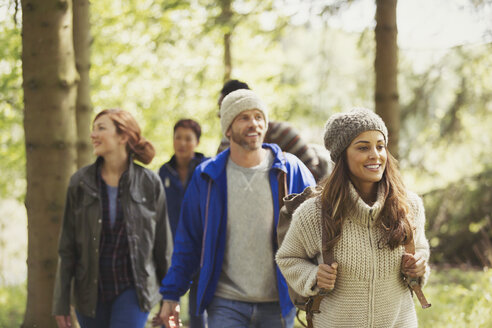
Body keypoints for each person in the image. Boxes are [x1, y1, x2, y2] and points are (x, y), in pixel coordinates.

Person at [153, 89, 316, 328]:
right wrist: (171, 295)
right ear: (228, 128)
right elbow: (188, 242)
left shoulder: (290, 171)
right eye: (244, 118)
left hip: (278, 301)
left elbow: (316, 229)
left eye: (259, 117)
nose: (254, 124)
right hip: (225, 303)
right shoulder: (208, 177)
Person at [276, 108, 430, 327]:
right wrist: (313, 276)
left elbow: (420, 249)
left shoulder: (409, 205)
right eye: (363, 147)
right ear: (342, 155)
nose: (375, 155)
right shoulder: (314, 212)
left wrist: (418, 266)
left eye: (380, 146)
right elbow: (288, 258)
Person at [52, 109, 173, 328]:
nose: (93, 135)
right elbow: (67, 247)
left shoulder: (150, 183)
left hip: (134, 290)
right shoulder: (80, 183)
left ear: (123, 136)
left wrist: (170, 300)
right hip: (89, 293)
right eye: (92, 128)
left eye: (101, 128)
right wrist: (61, 304)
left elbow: (163, 248)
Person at [216, 79, 332, 182]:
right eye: (244, 118)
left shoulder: (283, 134)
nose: (218, 114)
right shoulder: (224, 146)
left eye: (222, 108)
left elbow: (314, 170)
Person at [158, 119, 208, 328]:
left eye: (188, 138)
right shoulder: (164, 172)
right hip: (170, 250)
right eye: (178, 137)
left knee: (198, 315)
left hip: (202, 249)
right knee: (166, 311)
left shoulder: (207, 169)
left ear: (196, 142)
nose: (182, 143)